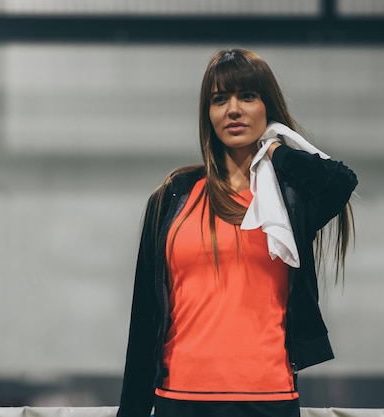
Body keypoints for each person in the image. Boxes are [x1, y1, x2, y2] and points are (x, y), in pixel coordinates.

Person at [116, 48, 358, 417]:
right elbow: (145, 318)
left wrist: (276, 149)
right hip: (179, 398)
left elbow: (340, 182)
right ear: (208, 114)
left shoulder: (290, 198)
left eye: (247, 96)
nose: (233, 109)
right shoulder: (174, 195)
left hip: (267, 398)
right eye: (219, 99)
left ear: (267, 107)